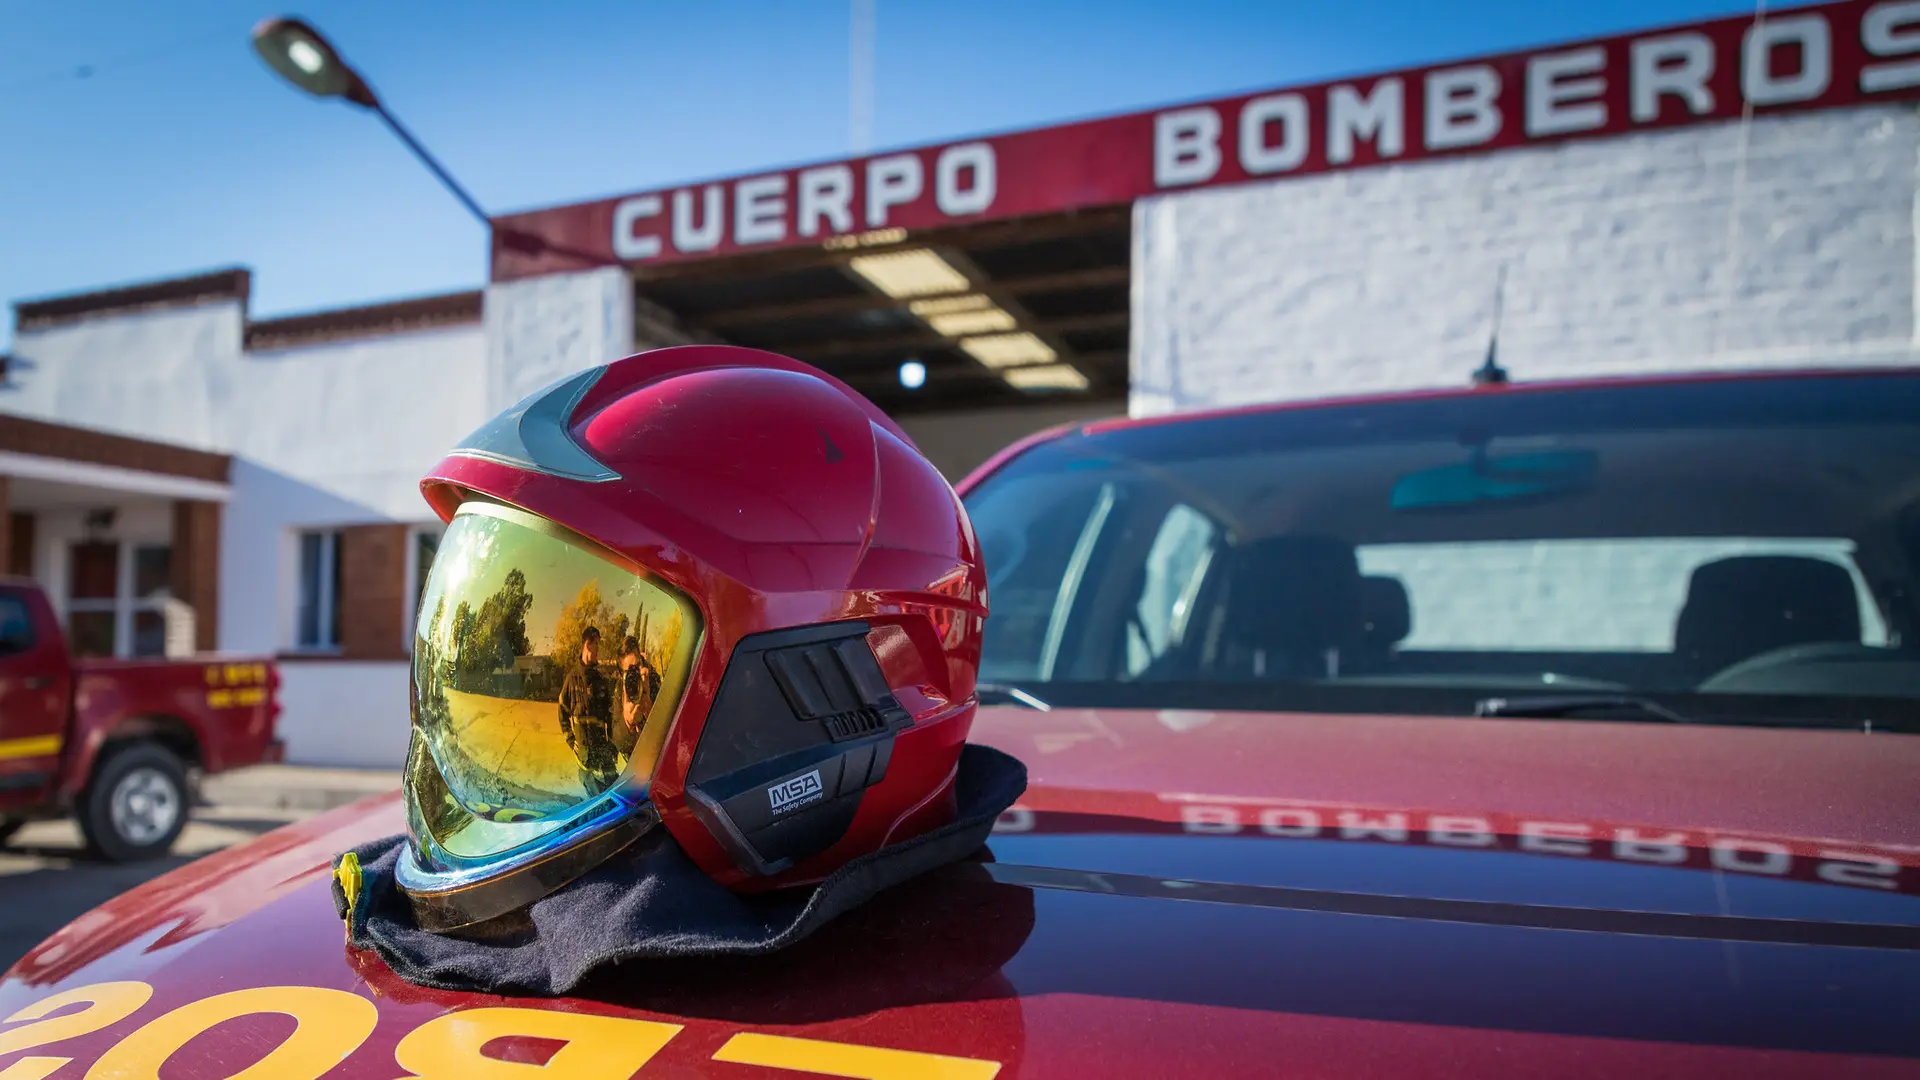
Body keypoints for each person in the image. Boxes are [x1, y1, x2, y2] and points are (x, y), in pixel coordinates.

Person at [557, 626, 619, 793]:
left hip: (603, 751)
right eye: (595, 644)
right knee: (594, 798)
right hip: (584, 755)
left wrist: (613, 745)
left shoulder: (601, 680)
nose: (598, 648)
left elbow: (611, 717)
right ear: (586, 645)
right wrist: (570, 739)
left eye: (598, 643)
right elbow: (562, 710)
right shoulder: (571, 679)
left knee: (615, 792)